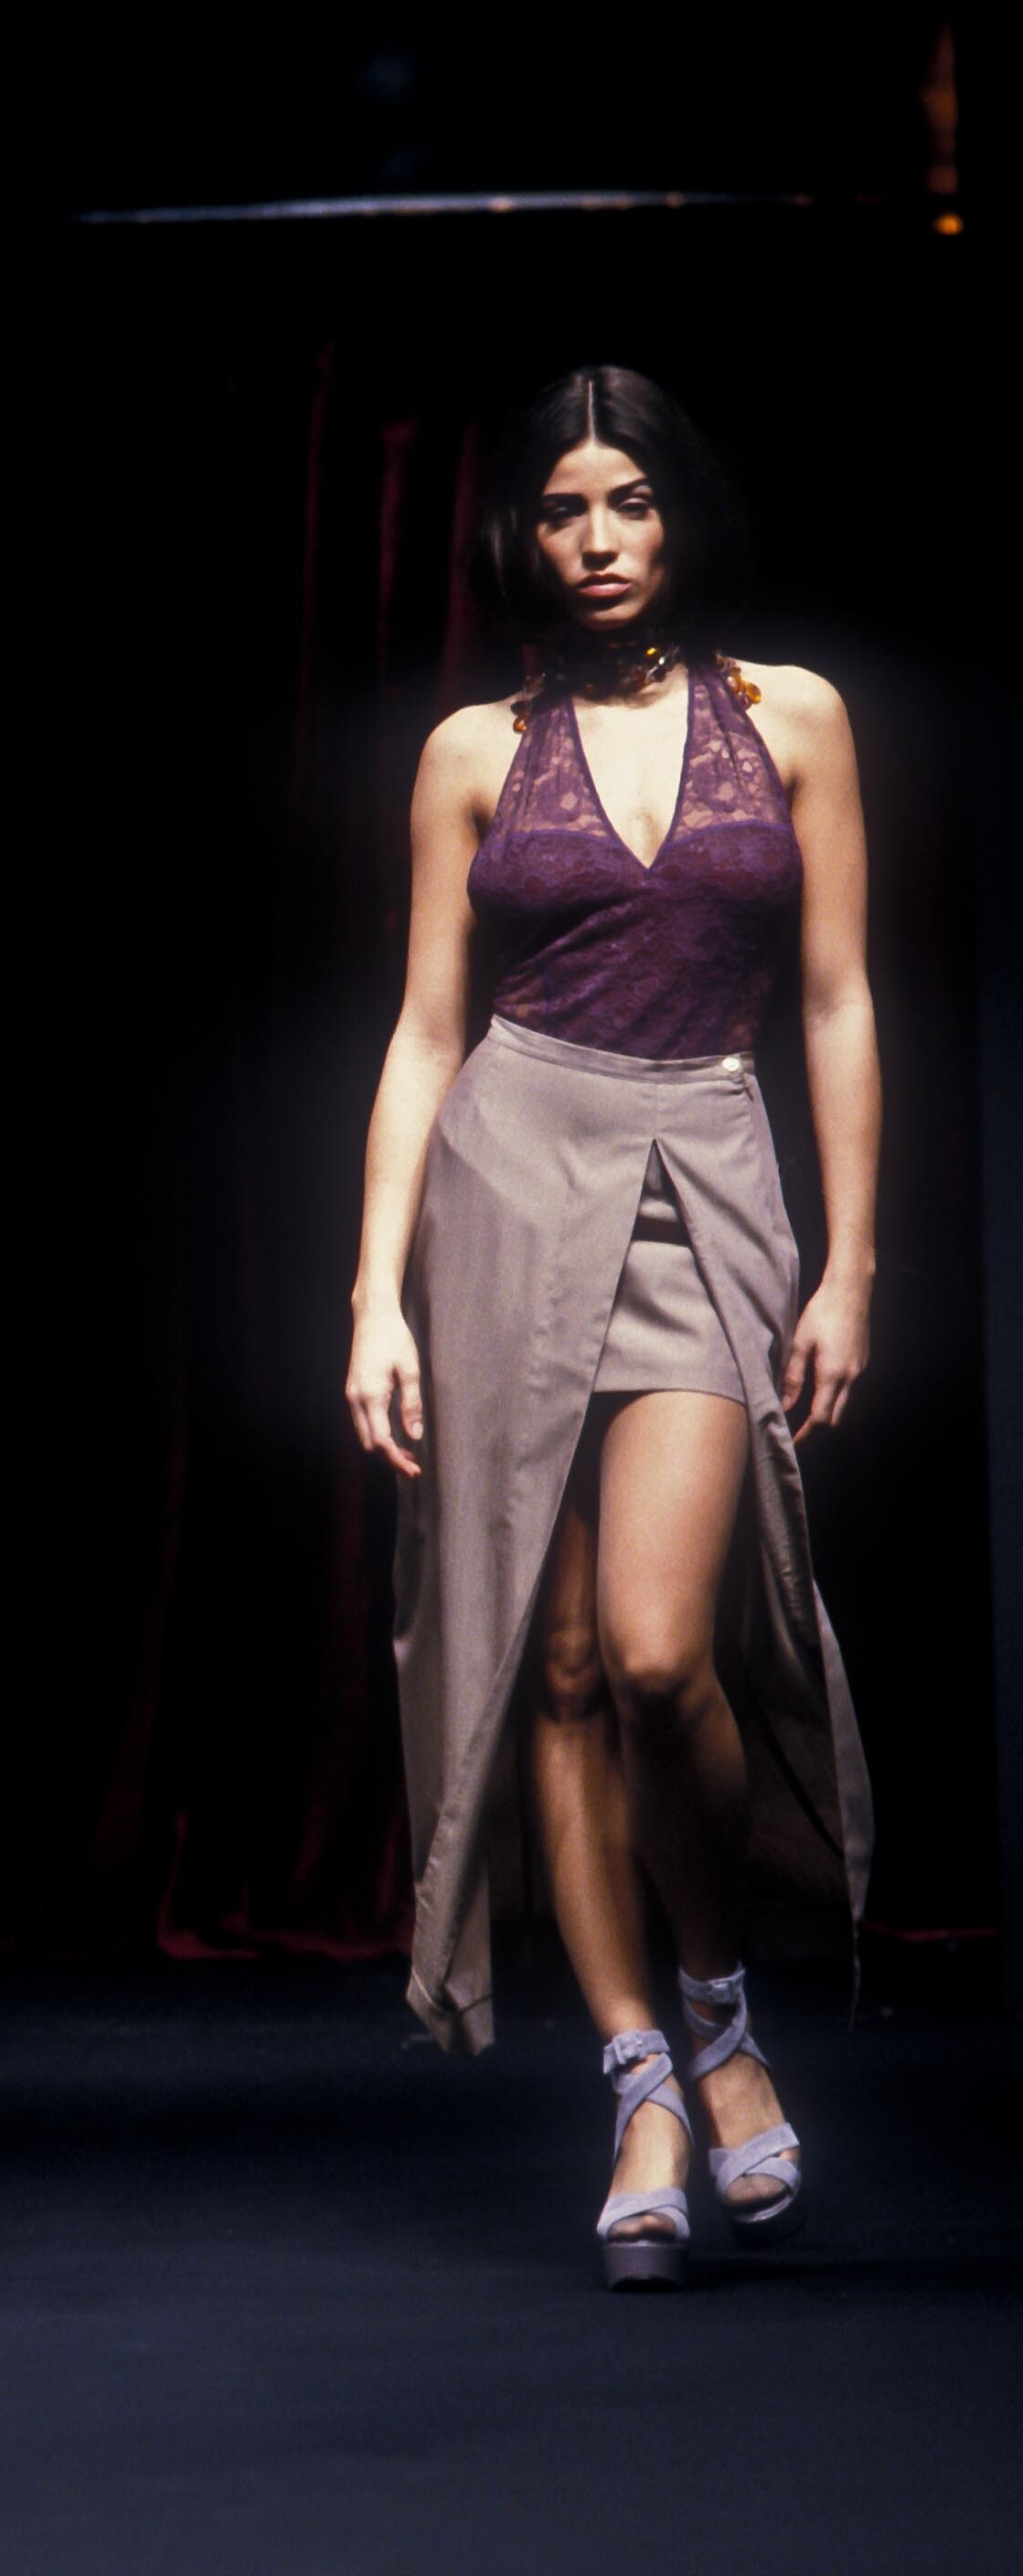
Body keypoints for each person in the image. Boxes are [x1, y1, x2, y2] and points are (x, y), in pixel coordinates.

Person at [346, 367, 876, 2289]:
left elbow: (836, 997)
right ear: (524, 532)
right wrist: (373, 1294)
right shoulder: (474, 749)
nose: (597, 540)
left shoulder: (792, 715)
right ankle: (642, 2079)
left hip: (704, 1165)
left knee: (662, 1652)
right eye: (565, 508)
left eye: (629, 503)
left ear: (680, 515)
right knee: (552, 1664)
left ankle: (721, 2012)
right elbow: (425, 1029)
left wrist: (852, 1262)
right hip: (509, 1174)